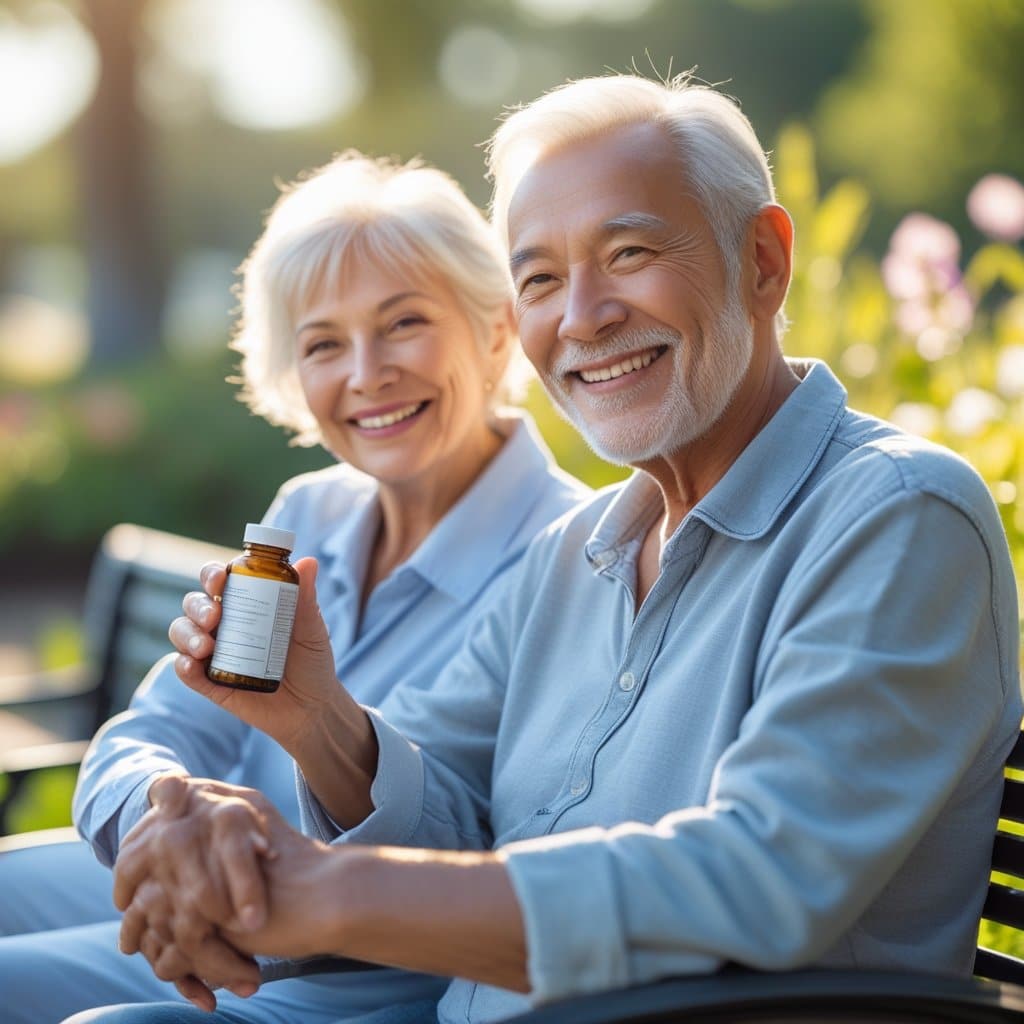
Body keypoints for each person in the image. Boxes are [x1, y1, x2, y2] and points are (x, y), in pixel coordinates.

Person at [69, 73, 1021, 1024]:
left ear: (763, 262)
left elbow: (759, 880)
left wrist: (312, 887)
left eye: (630, 252)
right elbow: (450, 815)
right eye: (540, 279)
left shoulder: (898, 516)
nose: (582, 316)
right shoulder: (578, 549)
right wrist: (316, 718)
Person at [0, 150, 589, 1024]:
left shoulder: (573, 552)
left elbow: (490, 861)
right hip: (222, 910)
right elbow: (154, 728)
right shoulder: (307, 513)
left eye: (403, 323)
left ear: (497, 327)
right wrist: (163, 818)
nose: (364, 373)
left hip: (357, 981)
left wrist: (217, 883)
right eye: (323, 343)